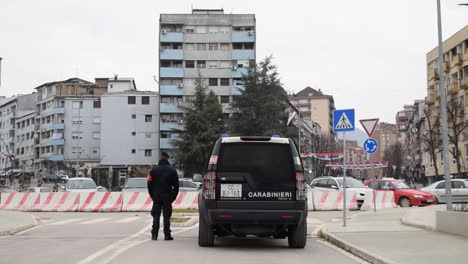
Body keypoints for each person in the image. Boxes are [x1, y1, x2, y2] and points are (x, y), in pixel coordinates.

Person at [147, 152, 179, 241]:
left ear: (160, 158)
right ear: (167, 158)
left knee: (156, 215)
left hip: (156, 196)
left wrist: (152, 195)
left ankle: (154, 235)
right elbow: (176, 185)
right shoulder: (172, 170)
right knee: (166, 216)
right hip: (168, 196)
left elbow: (149, 184)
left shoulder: (153, 170)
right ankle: (167, 235)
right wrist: (174, 196)